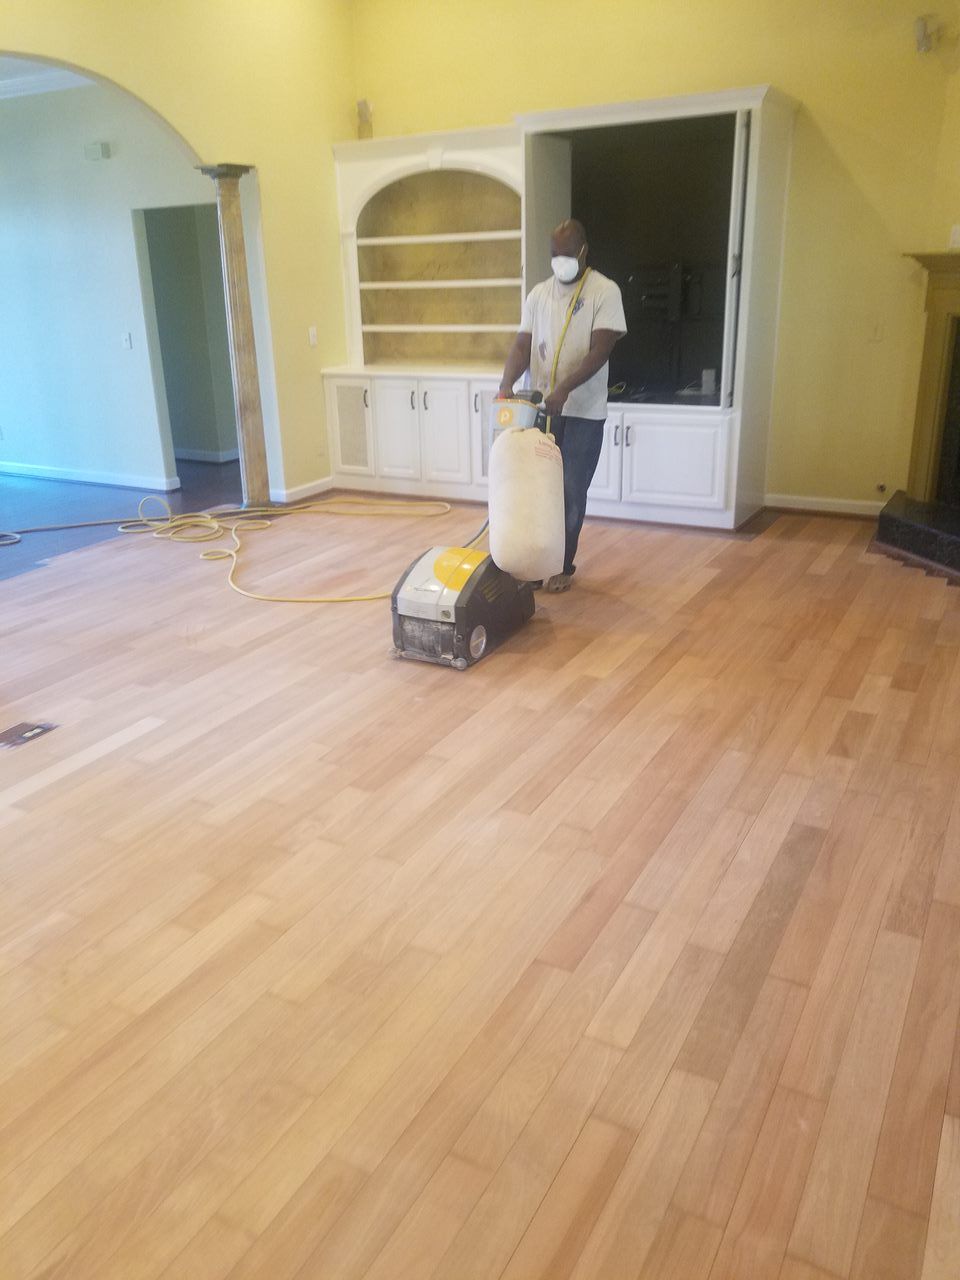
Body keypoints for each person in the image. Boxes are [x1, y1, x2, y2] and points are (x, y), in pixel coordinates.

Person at [498, 219, 626, 592]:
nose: (560, 261)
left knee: (570, 488)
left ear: (583, 250)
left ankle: (561, 565)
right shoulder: (539, 294)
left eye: (567, 254)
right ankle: (535, 560)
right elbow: (523, 344)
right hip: (540, 408)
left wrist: (565, 389)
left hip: (583, 411)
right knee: (537, 487)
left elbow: (601, 350)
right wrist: (507, 382)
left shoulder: (605, 291)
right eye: (554, 255)